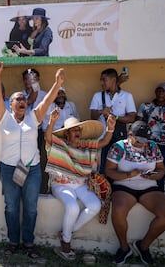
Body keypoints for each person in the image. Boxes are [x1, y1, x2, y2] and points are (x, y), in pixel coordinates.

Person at [0, 61, 64, 259]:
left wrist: (57, 84)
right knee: (12, 207)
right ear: (11, 104)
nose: (22, 101)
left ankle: (29, 242)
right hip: (8, 169)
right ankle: (14, 241)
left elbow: (47, 102)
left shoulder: (33, 117)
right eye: (17, 99)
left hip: (31, 170)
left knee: (31, 208)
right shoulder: (3, 117)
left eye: (24, 98)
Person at [45, 110, 115, 261]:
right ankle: (66, 244)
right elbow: (48, 137)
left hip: (81, 184)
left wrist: (110, 128)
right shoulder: (60, 144)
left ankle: (65, 233)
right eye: (73, 130)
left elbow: (104, 142)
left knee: (95, 205)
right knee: (73, 207)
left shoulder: (86, 145)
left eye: (78, 129)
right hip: (61, 184)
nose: (77, 132)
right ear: (67, 134)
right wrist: (51, 121)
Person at [105, 121, 165, 265]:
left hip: (149, 186)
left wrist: (153, 175)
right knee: (118, 211)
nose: (142, 144)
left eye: (145, 141)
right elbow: (109, 171)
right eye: (139, 141)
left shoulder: (153, 146)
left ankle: (143, 246)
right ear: (130, 135)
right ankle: (124, 248)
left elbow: (161, 170)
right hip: (124, 184)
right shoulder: (119, 147)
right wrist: (129, 175)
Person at [90, 68, 136, 174]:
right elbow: (92, 116)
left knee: (119, 168)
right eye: (101, 80)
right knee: (101, 169)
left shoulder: (127, 96)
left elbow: (132, 117)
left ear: (114, 80)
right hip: (102, 139)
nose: (101, 83)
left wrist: (116, 117)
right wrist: (102, 111)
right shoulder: (98, 96)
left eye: (104, 80)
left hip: (120, 139)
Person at [136, 82, 165, 189]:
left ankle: (158, 194)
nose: (160, 93)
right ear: (155, 92)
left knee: (161, 171)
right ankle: (145, 192)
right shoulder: (145, 107)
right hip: (148, 144)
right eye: (158, 90)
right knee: (146, 169)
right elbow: (137, 125)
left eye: (163, 91)